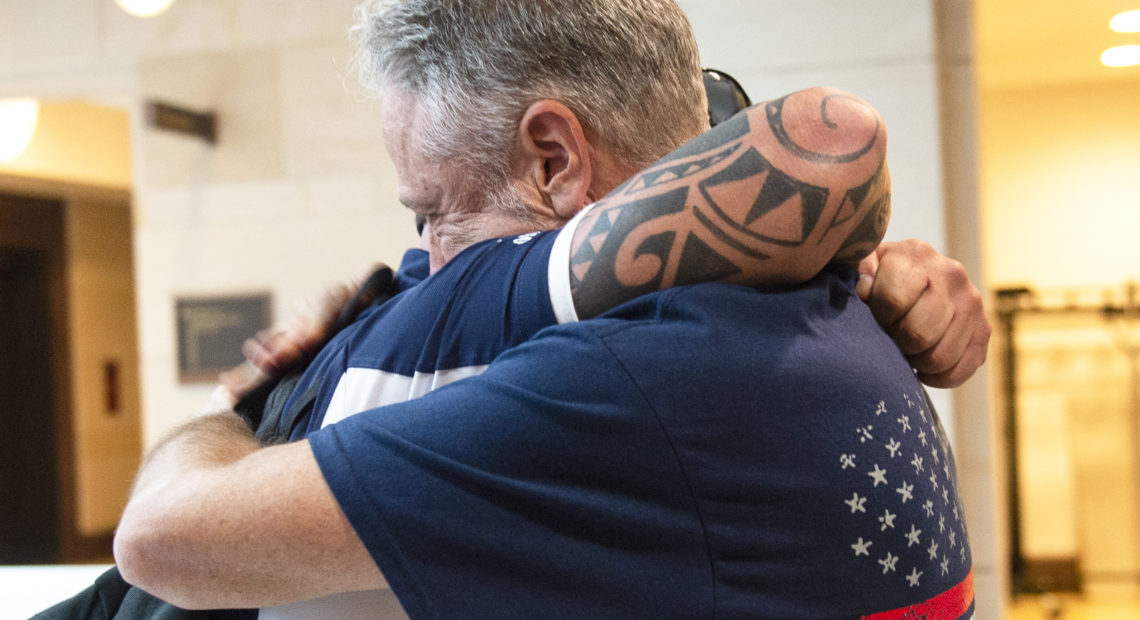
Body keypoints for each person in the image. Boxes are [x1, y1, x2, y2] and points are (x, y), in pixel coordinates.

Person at [112, 0, 986, 617]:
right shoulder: (829, 298)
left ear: (555, 160)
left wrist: (237, 407)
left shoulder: (615, 384)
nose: (430, 258)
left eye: (433, 211)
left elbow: (161, 538)